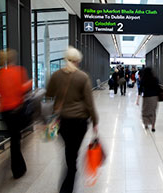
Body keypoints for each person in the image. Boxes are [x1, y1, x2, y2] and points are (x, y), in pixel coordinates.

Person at [46, 46, 98, 193]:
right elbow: (89, 102)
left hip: (62, 121)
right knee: (72, 153)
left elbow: (49, 93)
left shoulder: (56, 75)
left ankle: (70, 168)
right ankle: (68, 184)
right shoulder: (83, 77)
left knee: (70, 150)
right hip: (79, 121)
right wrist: (95, 121)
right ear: (77, 61)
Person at [0, 49, 32, 179]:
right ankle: (17, 169)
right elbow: (21, 89)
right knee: (16, 140)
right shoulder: (19, 71)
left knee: (14, 139)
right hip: (15, 111)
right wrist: (30, 83)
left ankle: (19, 167)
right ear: (14, 59)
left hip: (4, 113)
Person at [139, 67, 160, 132]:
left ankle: (146, 124)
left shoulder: (144, 79)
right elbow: (158, 87)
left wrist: (139, 95)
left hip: (146, 97)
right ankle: (153, 126)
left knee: (145, 110)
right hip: (154, 97)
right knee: (153, 111)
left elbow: (140, 88)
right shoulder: (155, 79)